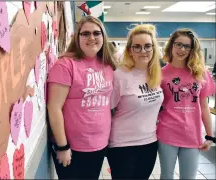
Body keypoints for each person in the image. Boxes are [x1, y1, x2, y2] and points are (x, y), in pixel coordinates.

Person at [47, 15, 116, 179]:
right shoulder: (65, 65)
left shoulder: (108, 65)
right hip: (72, 147)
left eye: (96, 33)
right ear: (77, 38)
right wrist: (63, 147)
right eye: (85, 34)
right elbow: (54, 107)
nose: (91, 38)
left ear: (103, 37)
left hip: (99, 143)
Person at [157, 28, 216, 179]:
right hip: (167, 132)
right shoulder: (160, 74)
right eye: (178, 44)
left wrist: (210, 136)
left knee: (188, 177)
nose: (182, 49)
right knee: (166, 175)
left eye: (187, 46)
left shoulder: (200, 73)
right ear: (171, 46)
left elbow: (204, 107)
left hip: (192, 134)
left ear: (192, 49)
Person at [107, 24, 164, 179]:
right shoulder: (119, 76)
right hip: (122, 145)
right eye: (137, 47)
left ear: (153, 48)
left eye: (147, 46)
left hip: (149, 143)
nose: (143, 51)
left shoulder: (156, 75)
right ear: (130, 50)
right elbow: (107, 111)